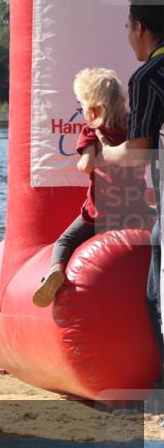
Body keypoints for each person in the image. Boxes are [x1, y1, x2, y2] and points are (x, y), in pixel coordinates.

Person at [33, 68, 151, 307]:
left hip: (100, 213)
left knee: (64, 241)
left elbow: (86, 165)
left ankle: (56, 270)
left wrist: (97, 158)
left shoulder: (93, 132)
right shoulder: (133, 127)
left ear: (92, 108)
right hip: (135, 208)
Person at [96, 0, 164, 388]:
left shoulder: (147, 76)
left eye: (126, 26)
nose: (127, 36)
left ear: (140, 27)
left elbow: (139, 154)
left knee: (156, 298)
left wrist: (106, 152)